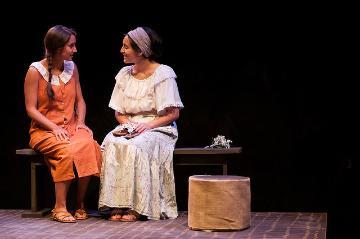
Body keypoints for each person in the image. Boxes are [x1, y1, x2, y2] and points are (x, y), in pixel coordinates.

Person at [99, 26, 184, 221]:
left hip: (159, 127)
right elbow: (119, 113)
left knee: (136, 145)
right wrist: (128, 125)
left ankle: (137, 206)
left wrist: (147, 126)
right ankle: (117, 204)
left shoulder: (163, 73)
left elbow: (173, 114)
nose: (122, 50)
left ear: (141, 51)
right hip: (130, 125)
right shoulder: (124, 74)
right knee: (113, 142)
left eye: (126, 47)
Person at [24, 25, 102, 223]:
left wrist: (81, 123)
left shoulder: (71, 68)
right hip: (44, 131)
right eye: (71, 46)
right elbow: (31, 109)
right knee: (65, 151)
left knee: (89, 145)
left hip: (71, 128)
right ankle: (59, 207)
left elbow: (80, 101)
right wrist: (54, 127)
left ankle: (80, 203)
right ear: (58, 47)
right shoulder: (35, 71)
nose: (75, 50)